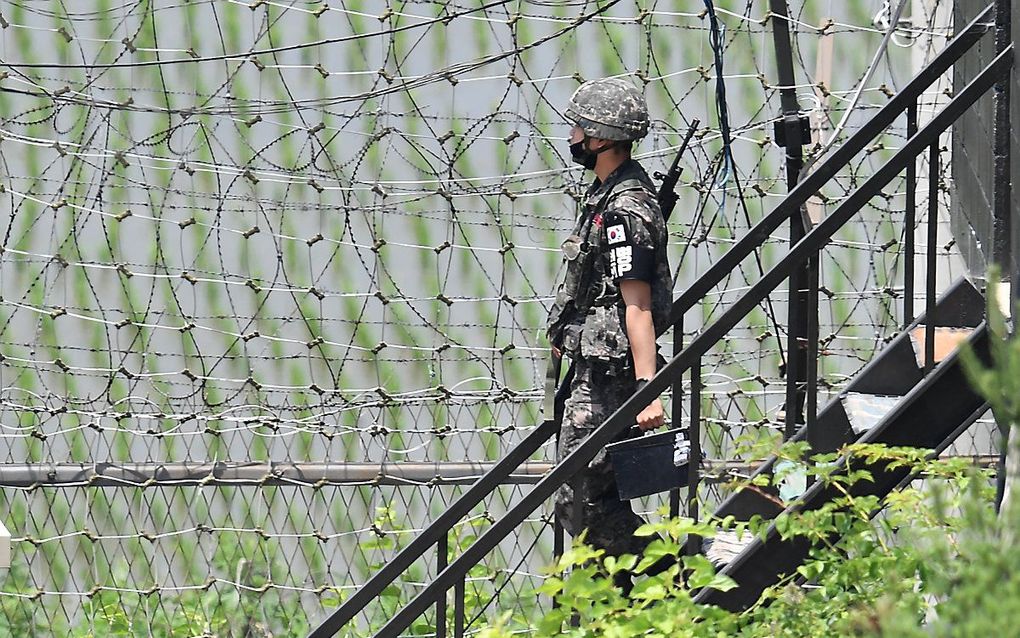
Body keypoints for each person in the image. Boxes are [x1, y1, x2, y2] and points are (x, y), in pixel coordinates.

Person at [546, 77, 673, 561]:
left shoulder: (623, 210)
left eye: (580, 128)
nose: (573, 137)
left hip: (610, 379)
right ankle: (621, 598)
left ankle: (667, 573)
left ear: (601, 137)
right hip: (594, 369)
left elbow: (636, 305)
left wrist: (648, 389)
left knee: (578, 497)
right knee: (591, 497)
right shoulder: (609, 196)